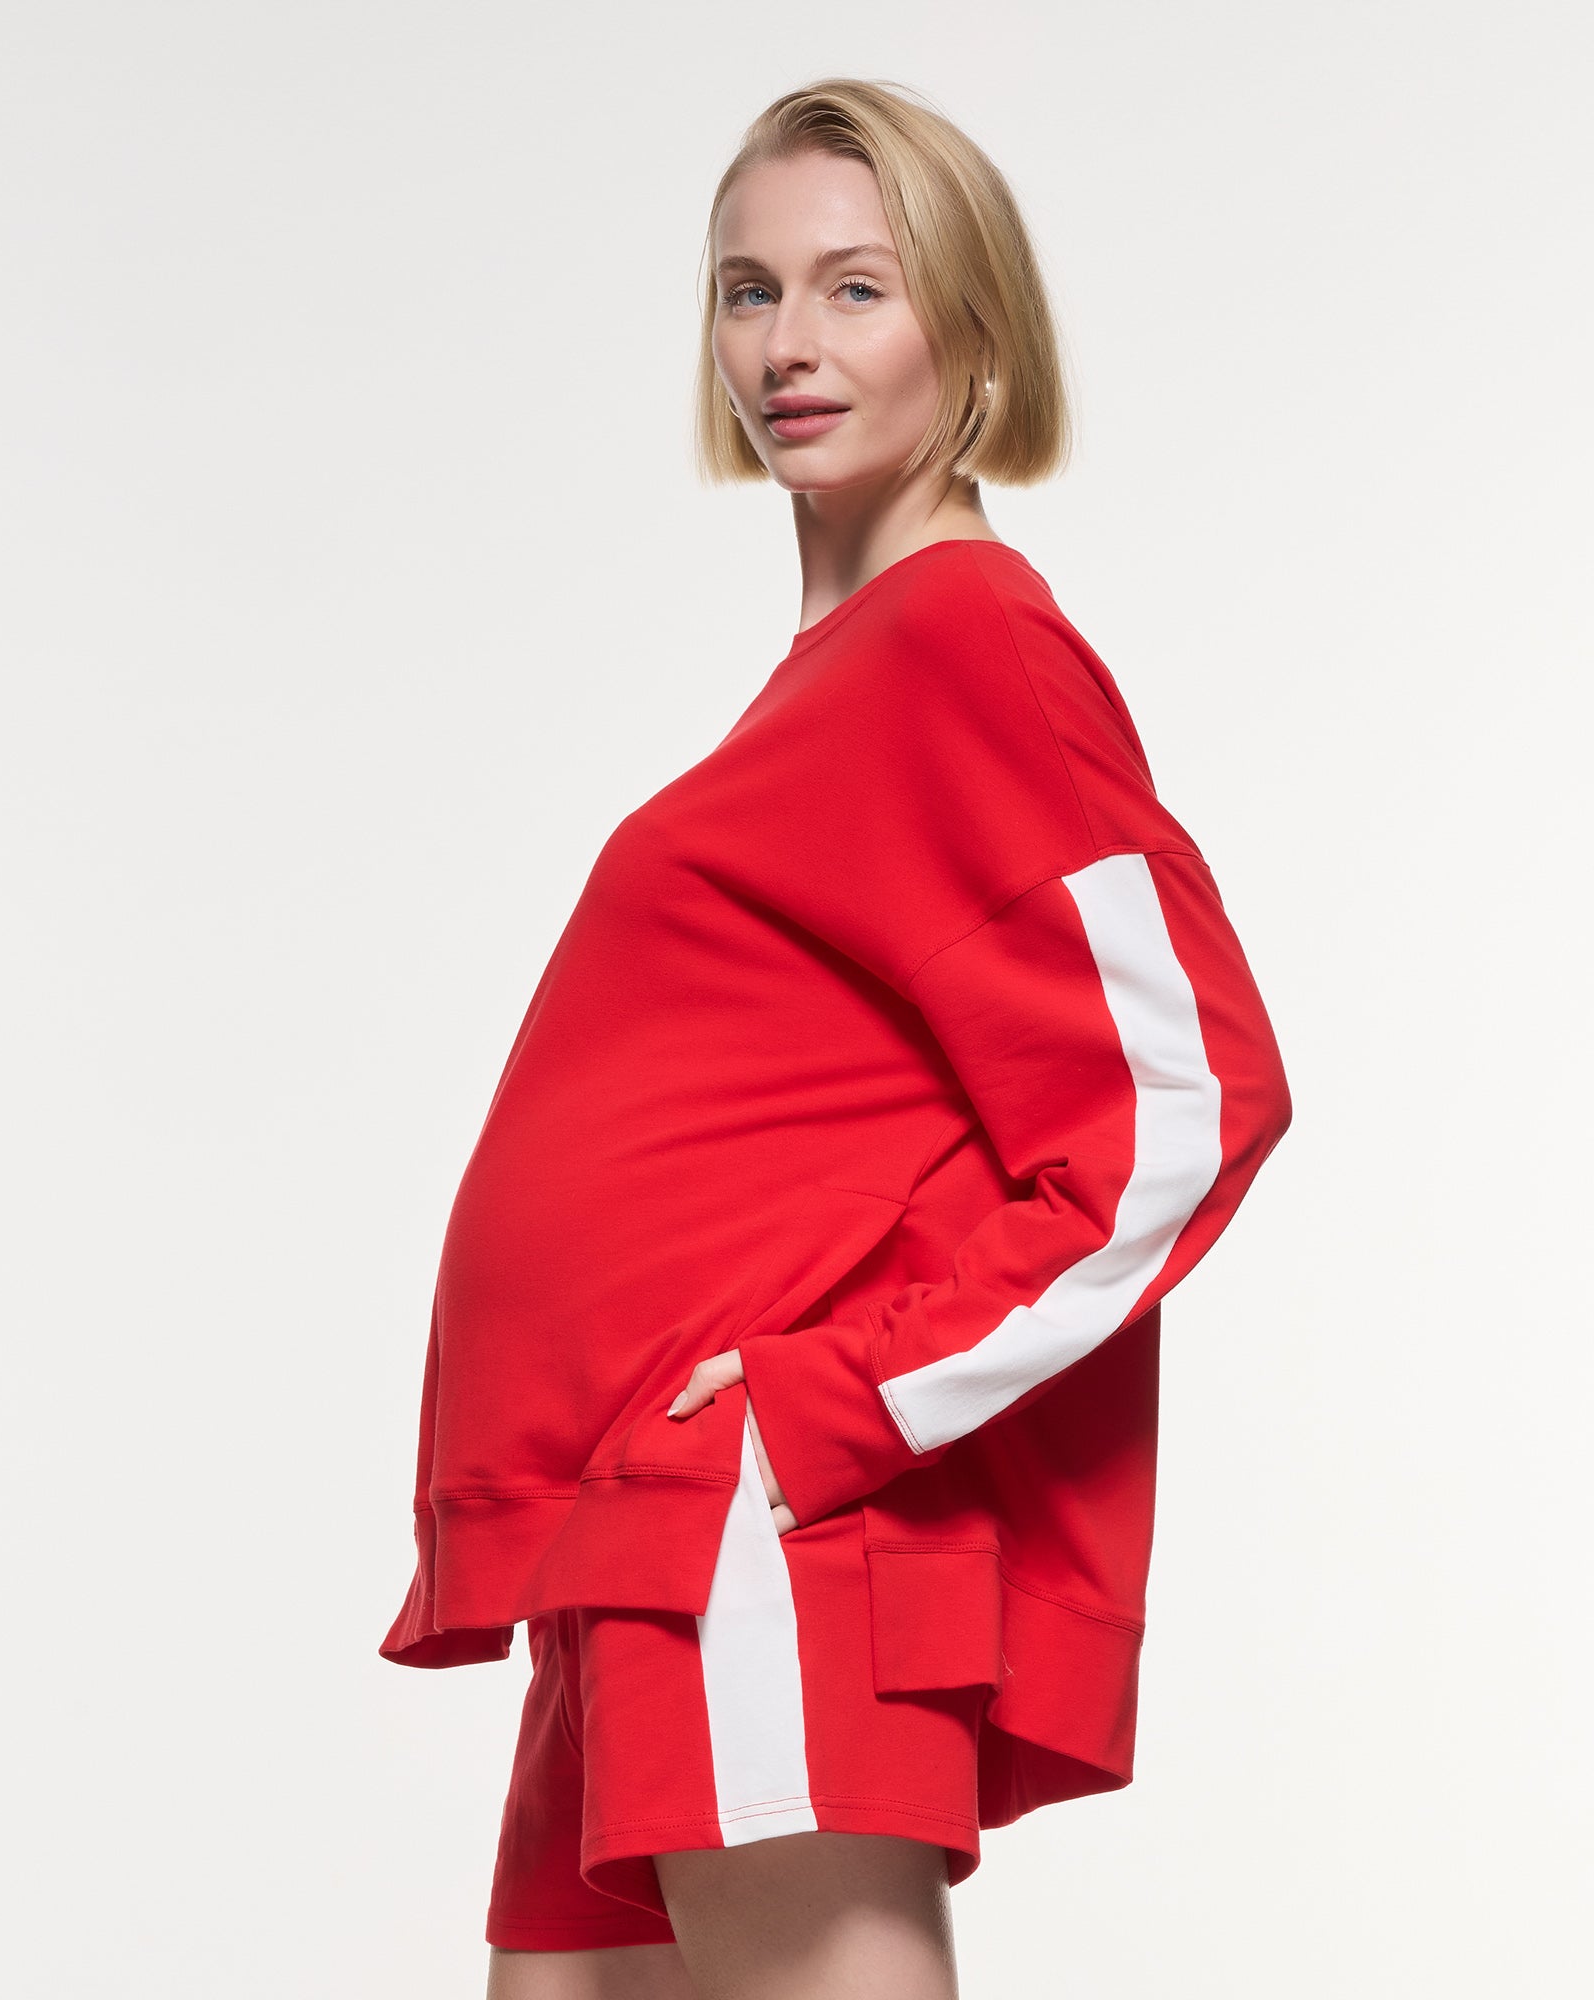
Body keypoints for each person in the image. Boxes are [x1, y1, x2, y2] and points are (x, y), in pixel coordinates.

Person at [378, 78, 1294, 2000]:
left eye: (856, 288)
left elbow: (1189, 1103)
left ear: (975, 333)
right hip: (634, 1528)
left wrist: (833, 1410)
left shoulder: (964, 643)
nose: (787, 344)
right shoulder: (841, 674)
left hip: (755, 1524)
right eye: (749, 290)